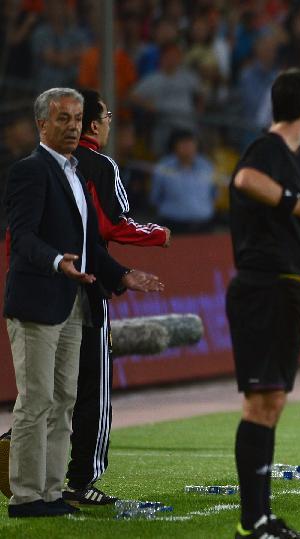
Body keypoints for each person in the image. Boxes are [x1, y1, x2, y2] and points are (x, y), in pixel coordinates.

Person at [4, 87, 162, 518]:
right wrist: (58, 261)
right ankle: (25, 497)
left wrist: (122, 275)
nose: (73, 126)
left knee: (64, 401)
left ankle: (54, 493)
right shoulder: (28, 172)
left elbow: (93, 242)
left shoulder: (77, 174)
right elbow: (22, 237)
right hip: (38, 299)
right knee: (36, 400)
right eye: (62, 119)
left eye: (77, 118)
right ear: (42, 124)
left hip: (76, 300)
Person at [227, 69, 300, 539]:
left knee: (271, 401)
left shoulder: (288, 159)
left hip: (284, 284)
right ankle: (253, 521)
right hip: (262, 291)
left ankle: (262, 519)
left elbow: (272, 223)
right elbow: (245, 179)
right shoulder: (268, 150)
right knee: (261, 402)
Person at [63, 89, 171, 505]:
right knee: (94, 387)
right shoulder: (98, 164)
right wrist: (158, 235)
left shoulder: (44, 167)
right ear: (92, 124)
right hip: (87, 289)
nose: (109, 123)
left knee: (55, 389)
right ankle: (81, 480)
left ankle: (39, 473)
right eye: (106, 116)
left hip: (47, 290)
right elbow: (111, 227)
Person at [150, 129, 218, 233]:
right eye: (183, 143)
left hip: (203, 226)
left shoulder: (207, 166)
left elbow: (214, 194)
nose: (187, 147)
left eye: (191, 143)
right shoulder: (164, 166)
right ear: (174, 146)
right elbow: (155, 197)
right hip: (172, 225)